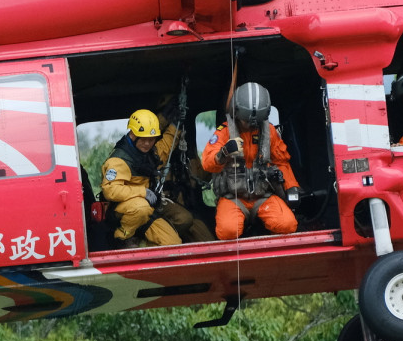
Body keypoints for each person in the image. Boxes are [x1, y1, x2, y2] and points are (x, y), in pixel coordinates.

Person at [100, 108, 213, 247]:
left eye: (151, 139)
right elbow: (110, 191)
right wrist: (143, 192)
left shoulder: (151, 153)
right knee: (141, 208)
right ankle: (122, 238)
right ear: (133, 134)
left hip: (148, 207)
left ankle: (149, 240)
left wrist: (176, 124)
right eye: (144, 139)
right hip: (125, 210)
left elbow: (167, 143)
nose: (147, 144)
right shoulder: (118, 160)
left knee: (175, 238)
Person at [200, 83, 300, 240]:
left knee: (287, 224)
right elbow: (207, 163)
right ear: (237, 114)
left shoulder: (270, 132)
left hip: (263, 195)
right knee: (228, 231)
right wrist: (224, 153)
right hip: (233, 197)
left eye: (256, 121)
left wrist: (292, 187)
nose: (251, 125)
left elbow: (282, 162)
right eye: (247, 121)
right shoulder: (224, 132)